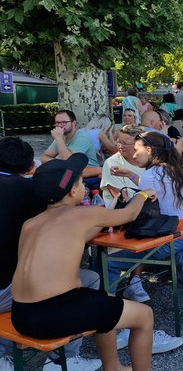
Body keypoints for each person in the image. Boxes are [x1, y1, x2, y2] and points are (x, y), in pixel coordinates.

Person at [13, 153, 156, 371]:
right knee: (145, 316)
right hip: (53, 313)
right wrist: (143, 194)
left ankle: (113, 366)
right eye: (81, 181)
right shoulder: (83, 214)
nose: (84, 186)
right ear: (72, 191)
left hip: (22, 314)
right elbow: (129, 214)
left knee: (104, 298)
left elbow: (77, 234)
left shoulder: (31, 224)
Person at [0, 138, 102, 371]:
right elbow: (70, 230)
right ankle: (62, 358)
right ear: (30, 167)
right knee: (88, 279)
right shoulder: (31, 192)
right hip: (6, 290)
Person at [107, 131, 183, 309]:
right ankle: (133, 284)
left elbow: (134, 212)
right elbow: (155, 190)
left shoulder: (151, 174)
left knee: (109, 260)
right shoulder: (178, 168)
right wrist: (130, 175)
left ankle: (108, 308)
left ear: (149, 150)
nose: (134, 155)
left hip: (174, 240)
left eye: (136, 150)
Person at [40, 109, 101, 189]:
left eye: (64, 122)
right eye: (58, 123)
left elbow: (69, 162)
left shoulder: (82, 137)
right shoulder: (61, 137)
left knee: (55, 186)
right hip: (70, 173)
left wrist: (58, 138)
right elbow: (43, 157)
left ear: (74, 123)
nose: (60, 125)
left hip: (88, 174)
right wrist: (58, 162)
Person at [101, 124, 146, 207]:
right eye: (118, 142)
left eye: (125, 143)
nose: (120, 146)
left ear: (139, 144)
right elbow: (123, 199)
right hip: (123, 211)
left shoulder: (148, 161)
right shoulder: (111, 163)